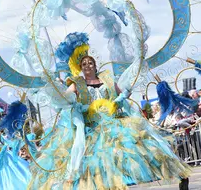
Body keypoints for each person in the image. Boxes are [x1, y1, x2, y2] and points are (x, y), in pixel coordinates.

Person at [28, 32, 191, 190]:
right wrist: (58, 89)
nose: (87, 65)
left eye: (90, 62)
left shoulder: (106, 78)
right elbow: (63, 99)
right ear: (80, 66)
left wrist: (118, 101)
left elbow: (121, 93)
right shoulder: (76, 83)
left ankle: (180, 175)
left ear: (95, 64)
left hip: (114, 123)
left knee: (142, 149)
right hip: (91, 128)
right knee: (95, 166)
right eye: (84, 64)